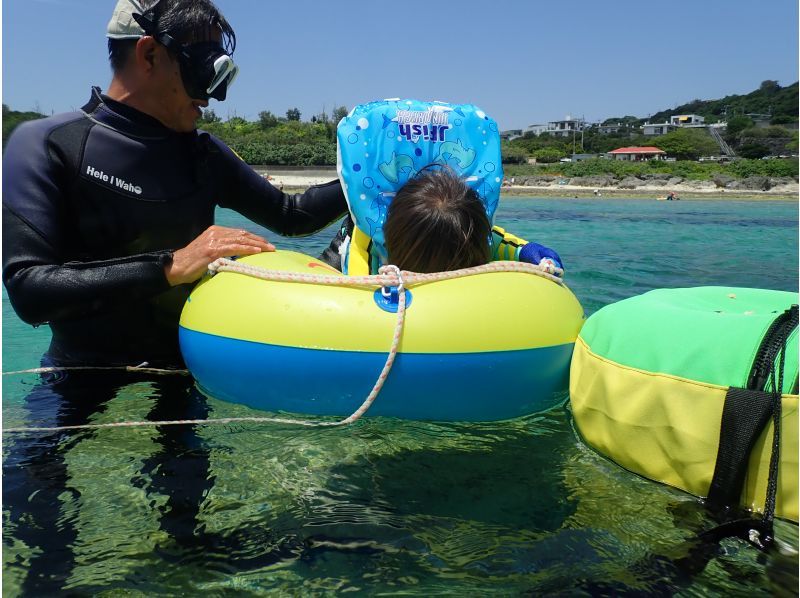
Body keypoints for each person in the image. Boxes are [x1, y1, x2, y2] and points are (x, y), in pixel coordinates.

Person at [2, 0, 348, 369]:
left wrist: (372, 177)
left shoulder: (203, 154)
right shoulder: (49, 144)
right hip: (79, 376)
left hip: (183, 374)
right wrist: (171, 265)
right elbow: (30, 289)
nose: (214, 95)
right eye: (204, 65)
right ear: (149, 54)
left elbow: (291, 215)